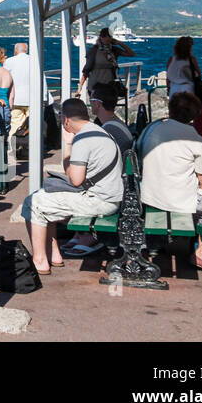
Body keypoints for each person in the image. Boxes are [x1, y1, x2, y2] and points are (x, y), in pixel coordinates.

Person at [139, 92, 202, 272]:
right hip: (177, 199)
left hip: (149, 194)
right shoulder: (197, 142)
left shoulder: (151, 130)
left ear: (170, 110)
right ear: (196, 115)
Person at [21, 98, 123, 274]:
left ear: (66, 119)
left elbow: (75, 179)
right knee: (44, 199)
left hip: (100, 201)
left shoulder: (83, 139)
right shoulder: (96, 130)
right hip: (110, 196)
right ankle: (54, 255)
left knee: (33, 203)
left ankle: (39, 260)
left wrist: (68, 144)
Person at [82, 27, 135, 106]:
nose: (107, 38)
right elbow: (87, 69)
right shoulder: (94, 50)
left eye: (109, 36)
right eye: (105, 36)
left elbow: (131, 54)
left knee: (108, 108)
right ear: (101, 37)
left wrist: (120, 43)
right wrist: (80, 87)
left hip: (109, 85)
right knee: (98, 108)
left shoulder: (113, 50)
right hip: (95, 85)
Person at [3, 42, 33, 141]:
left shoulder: (9, 61)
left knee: (15, 124)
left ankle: (12, 149)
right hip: (31, 98)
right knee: (32, 125)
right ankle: (31, 147)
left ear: (16, 50)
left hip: (15, 99)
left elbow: (5, 79)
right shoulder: (34, 60)